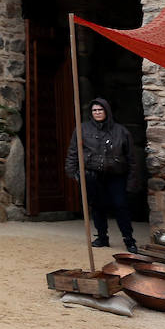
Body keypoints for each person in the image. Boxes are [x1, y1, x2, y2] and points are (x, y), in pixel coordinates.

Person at [65, 97, 137, 254]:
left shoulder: (121, 131)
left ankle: (129, 239)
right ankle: (102, 237)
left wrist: (132, 182)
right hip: (93, 174)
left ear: (107, 111)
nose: (97, 113)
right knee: (97, 206)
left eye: (100, 110)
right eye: (94, 110)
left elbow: (131, 158)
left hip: (116, 174)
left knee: (120, 206)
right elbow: (73, 152)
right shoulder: (82, 129)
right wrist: (74, 173)